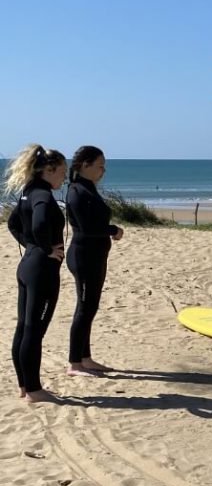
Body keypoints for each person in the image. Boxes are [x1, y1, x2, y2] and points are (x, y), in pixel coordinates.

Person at [5, 144, 68, 403]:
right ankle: (33, 390)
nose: (64, 178)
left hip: (28, 266)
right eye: (62, 172)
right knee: (34, 331)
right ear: (49, 170)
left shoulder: (27, 192)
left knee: (24, 328)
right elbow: (41, 221)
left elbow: (12, 223)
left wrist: (30, 246)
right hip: (41, 269)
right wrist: (45, 248)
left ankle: (24, 386)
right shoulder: (41, 194)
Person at [66, 146, 124, 375]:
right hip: (83, 256)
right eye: (100, 165)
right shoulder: (77, 191)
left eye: (104, 166)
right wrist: (113, 229)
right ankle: (74, 363)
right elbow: (87, 227)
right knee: (84, 308)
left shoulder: (88, 188)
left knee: (90, 307)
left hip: (96, 255)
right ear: (84, 166)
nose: (103, 170)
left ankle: (85, 357)